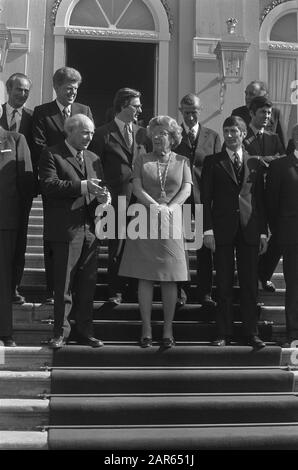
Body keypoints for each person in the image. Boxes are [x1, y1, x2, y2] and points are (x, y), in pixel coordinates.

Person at [118, 115, 192, 348]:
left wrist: (170, 208)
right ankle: (147, 327)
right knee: (145, 276)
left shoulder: (183, 161)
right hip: (144, 219)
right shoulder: (142, 159)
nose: (159, 137)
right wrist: (154, 206)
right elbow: (136, 186)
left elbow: (187, 189)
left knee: (170, 278)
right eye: (156, 132)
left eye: (164, 133)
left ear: (173, 138)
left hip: (171, 220)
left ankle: (168, 329)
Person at [38, 114, 110, 349]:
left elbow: (97, 190)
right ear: (70, 131)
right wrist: (82, 186)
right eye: (85, 132)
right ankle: (61, 332)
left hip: (90, 228)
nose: (90, 137)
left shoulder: (94, 158)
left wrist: (103, 199)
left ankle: (85, 331)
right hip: (65, 231)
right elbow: (49, 186)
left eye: (91, 132)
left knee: (87, 285)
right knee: (64, 286)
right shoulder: (52, 153)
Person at [201, 115, 267, 349]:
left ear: (242, 134)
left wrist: (262, 233)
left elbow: (259, 199)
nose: (229, 135)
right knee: (225, 283)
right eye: (226, 131)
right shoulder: (212, 161)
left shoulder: (254, 163)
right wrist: (206, 230)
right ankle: (223, 332)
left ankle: (252, 332)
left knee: (250, 283)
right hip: (221, 229)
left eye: (233, 131)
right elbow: (205, 199)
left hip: (249, 229)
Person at [32, 67, 93, 305]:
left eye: (76, 89)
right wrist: (61, 160)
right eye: (68, 88)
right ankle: (52, 289)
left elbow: (90, 141)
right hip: (55, 180)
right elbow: (38, 145)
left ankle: (73, 288)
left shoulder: (84, 110)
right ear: (56, 88)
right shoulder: (42, 112)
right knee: (53, 239)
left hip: (80, 182)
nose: (72, 93)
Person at [90, 87, 148, 305]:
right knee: (117, 247)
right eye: (136, 105)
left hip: (140, 198)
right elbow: (96, 167)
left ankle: (133, 290)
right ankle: (115, 291)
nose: (140, 109)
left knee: (137, 247)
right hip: (115, 198)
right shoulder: (102, 133)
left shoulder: (143, 133)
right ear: (124, 106)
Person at [175, 93, 221, 307]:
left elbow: (219, 170)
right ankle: (181, 292)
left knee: (204, 249)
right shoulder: (174, 135)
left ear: (200, 111)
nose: (190, 117)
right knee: (180, 248)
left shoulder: (212, 136)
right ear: (181, 112)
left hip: (204, 198)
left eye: (194, 112)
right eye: (186, 113)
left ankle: (205, 292)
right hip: (180, 200)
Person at [243, 96, 285, 293]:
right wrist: (266, 160)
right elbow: (247, 161)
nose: (267, 116)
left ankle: (264, 274)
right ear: (252, 113)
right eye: (263, 112)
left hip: (272, 194)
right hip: (250, 194)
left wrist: (260, 160)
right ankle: (252, 276)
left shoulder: (273, 138)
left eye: (269, 113)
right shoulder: (242, 136)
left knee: (279, 236)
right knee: (253, 237)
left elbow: (281, 161)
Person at [0, 104, 34, 346]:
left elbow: (27, 183)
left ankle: (4, 332)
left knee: (2, 279)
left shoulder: (15, 139)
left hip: (5, 221)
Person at [265, 124, 298, 347]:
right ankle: (293, 333)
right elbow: (271, 204)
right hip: (291, 235)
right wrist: (278, 231)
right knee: (294, 285)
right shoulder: (280, 166)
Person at [232, 80, 285, 148]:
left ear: (263, 96)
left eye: (251, 94)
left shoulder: (275, 113)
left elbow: (282, 143)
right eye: (246, 94)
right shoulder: (238, 113)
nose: (247, 97)